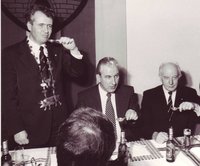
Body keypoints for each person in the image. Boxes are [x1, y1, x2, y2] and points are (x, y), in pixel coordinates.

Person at [2, 4, 86, 148]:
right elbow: (7, 96)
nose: (46, 31)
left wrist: (74, 50)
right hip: (29, 129)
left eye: (49, 26)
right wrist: (16, 128)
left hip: (60, 127)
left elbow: (78, 73)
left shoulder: (58, 50)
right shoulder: (11, 54)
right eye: (41, 25)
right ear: (29, 25)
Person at [76, 57, 139, 142]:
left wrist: (134, 113)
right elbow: (78, 128)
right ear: (98, 77)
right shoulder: (85, 98)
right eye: (108, 77)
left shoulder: (128, 92)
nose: (113, 82)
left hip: (124, 143)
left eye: (116, 76)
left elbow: (139, 123)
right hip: (98, 145)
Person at [138, 62, 199, 143]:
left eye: (174, 77)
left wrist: (195, 106)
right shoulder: (149, 95)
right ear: (161, 78)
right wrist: (154, 135)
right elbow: (143, 125)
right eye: (166, 78)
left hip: (183, 143)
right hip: (158, 143)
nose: (171, 82)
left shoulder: (190, 93)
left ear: (179, 76)